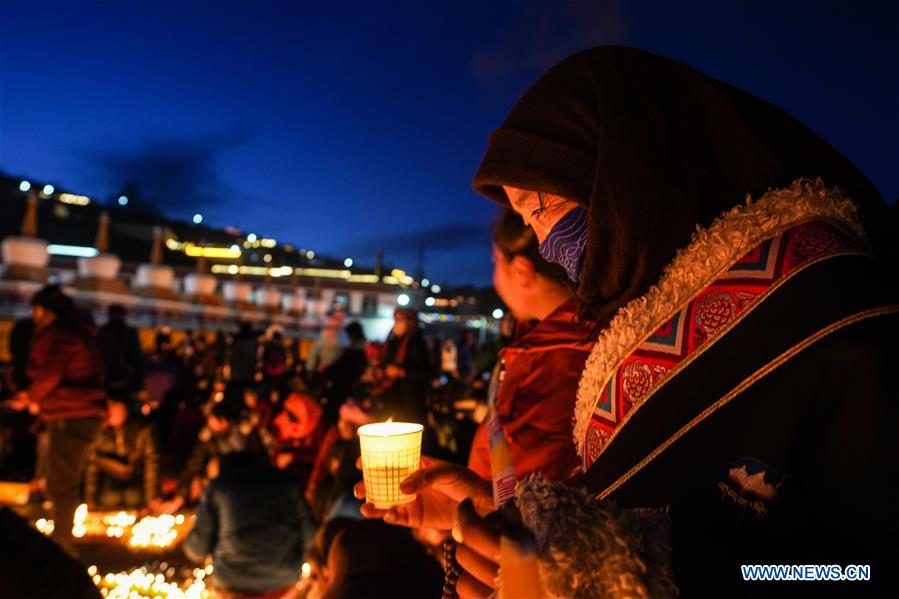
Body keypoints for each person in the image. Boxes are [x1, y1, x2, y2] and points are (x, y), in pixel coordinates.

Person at [462, 46, 898, 597]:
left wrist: (663, 572)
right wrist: (508, 523)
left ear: (616, 170)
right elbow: (620, 514)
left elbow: (858, 568)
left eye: (540, 209)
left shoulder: (832, 312)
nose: (547, 247)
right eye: (526, 220)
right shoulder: (631, 330)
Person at [466, 208, 592, 483]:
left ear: (521, 270)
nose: (494, 276)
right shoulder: (554, 339)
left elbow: (527, 484)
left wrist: (464, 507)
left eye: (495, 260)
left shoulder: (554, 362)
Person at [8, 285, 106, 555]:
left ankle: (62, 548)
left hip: (72, 413)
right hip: (71, 411)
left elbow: (50, 375)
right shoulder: (74, 331)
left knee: (62, 483)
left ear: (46, 311)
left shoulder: (62, 335)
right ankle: (60, 540)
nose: (33, 314)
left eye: (36, 308)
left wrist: (30, 396)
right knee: (59, 480)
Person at [183, 450, 316, 599]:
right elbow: (311, 536)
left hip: (233, 582)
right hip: (284, 579)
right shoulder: (289, 482)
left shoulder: (218, 488)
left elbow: (196, 550)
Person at [158, 388, 268, 513]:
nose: (209, 424)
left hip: (246, 479)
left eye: (212, 421)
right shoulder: (209, 438)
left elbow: (261, 458)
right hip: (220, 482)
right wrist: (180, 496)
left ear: (223, 421)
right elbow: (193, 464)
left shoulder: (245, 433)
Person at [84, 398, 159, 510]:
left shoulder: (142, 430)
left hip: (136, 475)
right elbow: (92, 466)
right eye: (112, 410)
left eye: (119, 409)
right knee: (110, 498)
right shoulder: (99, 432)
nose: (115, 413)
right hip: (110, 478)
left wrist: (152, 497)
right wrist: (89, 499)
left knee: (133, 498)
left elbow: (152, 462)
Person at [373, 309, 432, 423]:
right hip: (393, 396)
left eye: (400, 320)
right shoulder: (392, 341)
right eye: (395, 320)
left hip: (411, 398)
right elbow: (385, 361)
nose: (396, 323)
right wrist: (383, 370)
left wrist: (401, 371)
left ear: (410, 321)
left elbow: (425, 372)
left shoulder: (416, 342)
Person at [317, 321, 368, 426]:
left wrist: (325, 371)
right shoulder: (360, 353)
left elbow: (338, 371)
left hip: (342, 393)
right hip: (347, 393)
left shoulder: (353, 354)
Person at [98, 304, 144, 403]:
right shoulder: (130, 332)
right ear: (123, 315)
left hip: (106, 377)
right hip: (124, 376)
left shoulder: (102, 331)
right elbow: (137, 357)